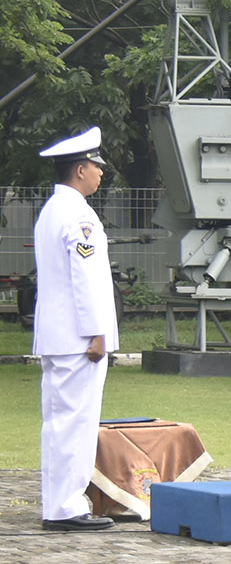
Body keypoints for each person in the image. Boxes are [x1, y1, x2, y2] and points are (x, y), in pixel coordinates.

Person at [32, 127, 119, 531]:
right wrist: (97, 332)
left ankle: (58, 503)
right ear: (81, 169)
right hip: (78, 337)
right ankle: (67, 505)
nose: (101, 173)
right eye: (97, 166)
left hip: (57, 333)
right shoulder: (80, 215)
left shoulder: (52, 209)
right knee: (75, 423)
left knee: (58, 423)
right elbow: (85, 281)